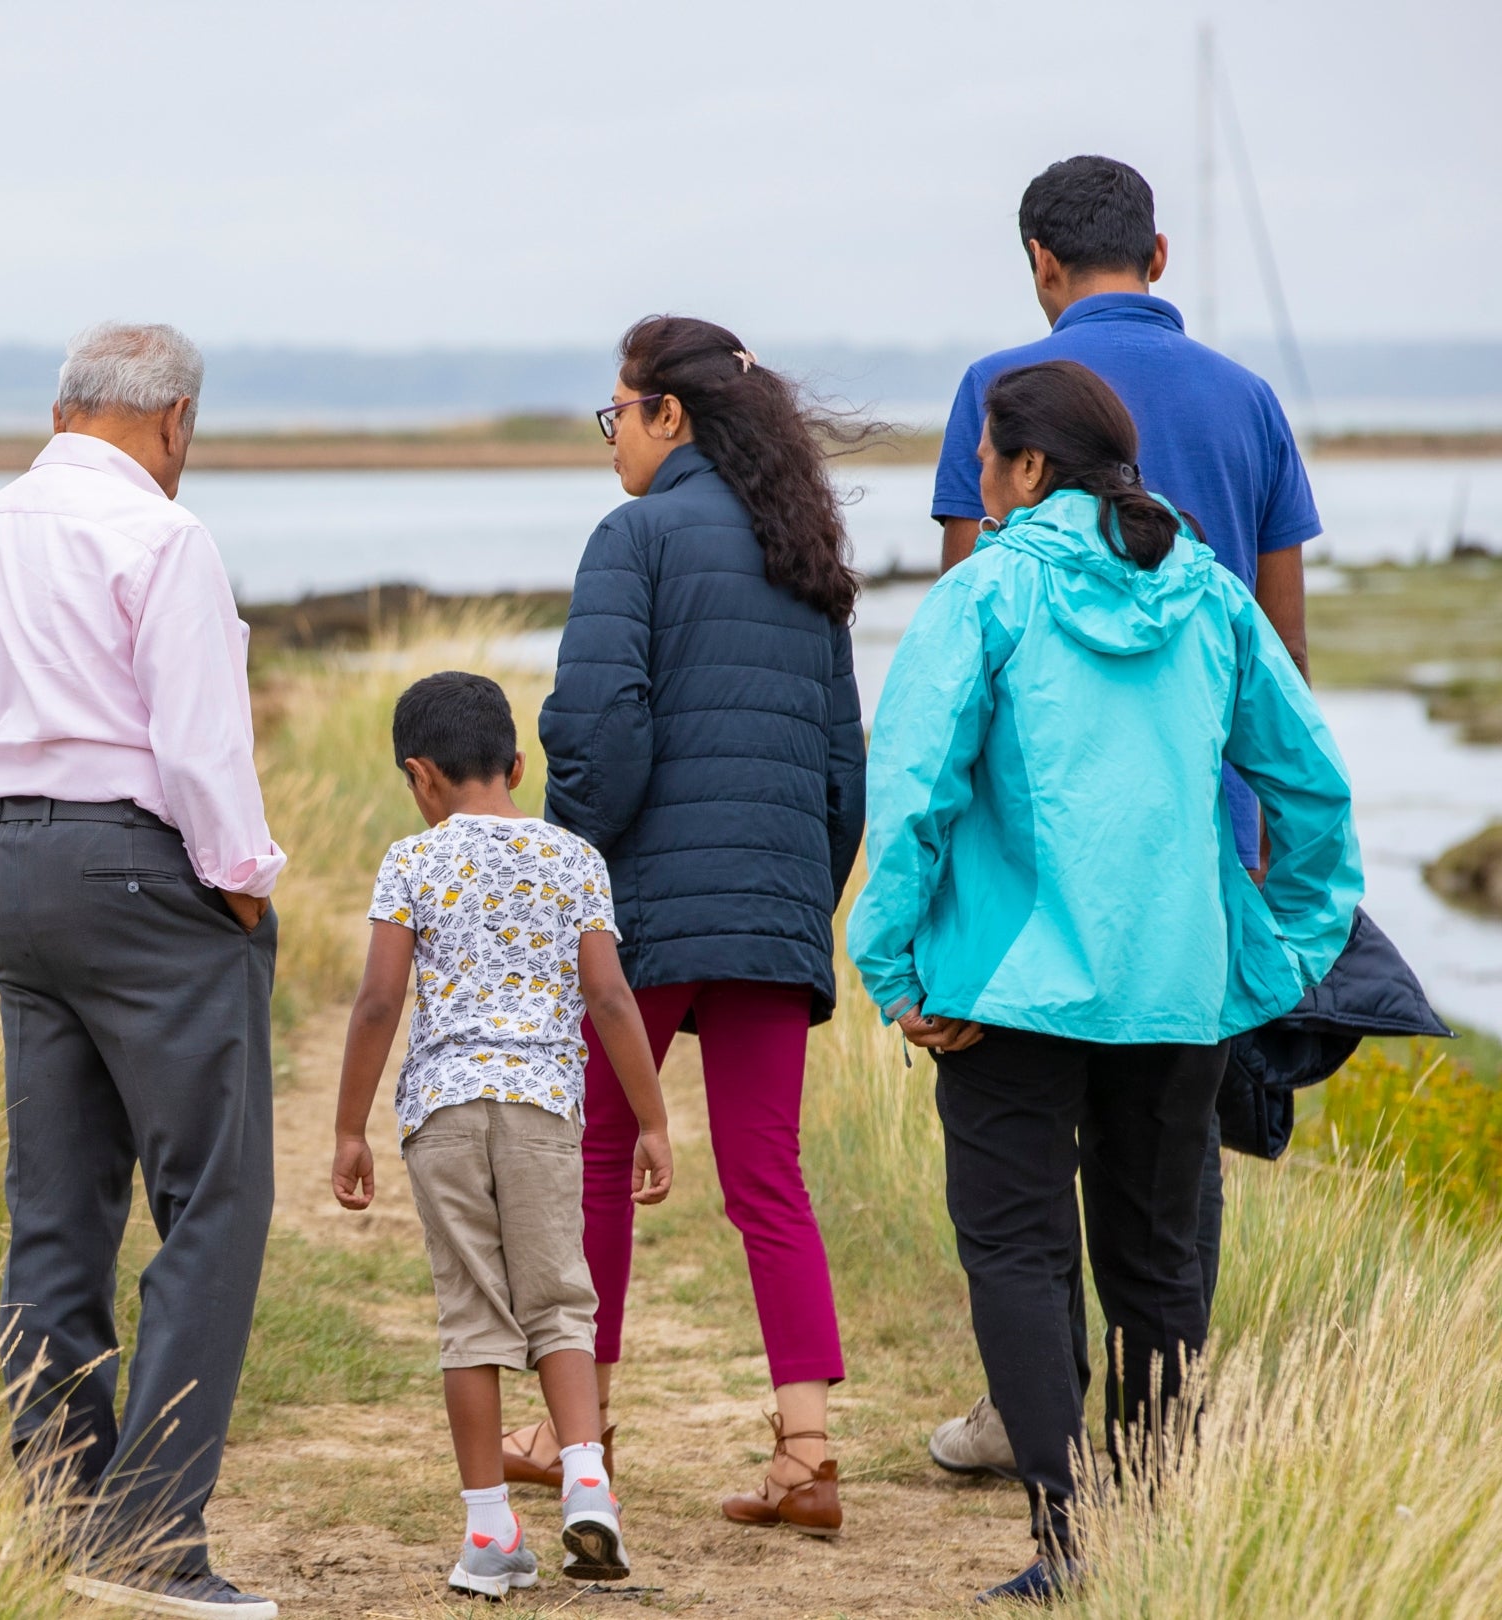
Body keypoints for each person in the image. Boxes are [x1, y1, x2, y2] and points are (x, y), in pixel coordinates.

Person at [853, 359, 1359, 1602]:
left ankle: (1070, 1546)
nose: (976, 477)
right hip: (1178, 989)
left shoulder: (985, 593)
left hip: (999, 999)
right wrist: (1280, 952)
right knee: (1155, 1262)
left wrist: (893, 966)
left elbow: (914, 790)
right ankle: (1148, 1540)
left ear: (1029, 469)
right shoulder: (1211, 598)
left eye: (984, 457)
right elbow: (1312, 790)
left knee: (1020, 1257)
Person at [922, 153, 1323, 1484]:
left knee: (1018, 1207)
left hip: (1023, 902)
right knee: (1164, 1214)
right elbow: (1288, 671)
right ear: (1159, 254)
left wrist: (926, 934)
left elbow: (956, 674)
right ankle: (1153, 1490)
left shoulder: (1000, 397)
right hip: (1187, 905)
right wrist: (1266, 909)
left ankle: (1038, 1451)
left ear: (1041, 261)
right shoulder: (1251, 403)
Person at [0, 321, 284, 1618]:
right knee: (215, 1200)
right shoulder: (163, 537)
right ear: (174, 421)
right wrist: (242, 883)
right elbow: (198, 744)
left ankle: (64, 1520)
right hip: (143, 873)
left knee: (58, 1210)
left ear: (64, 405)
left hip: (20, 873)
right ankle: (149, 1545)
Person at [512, 316, 867, 1536]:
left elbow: (601, 729)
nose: (612, 440)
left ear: (672, 416)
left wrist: (574, 862)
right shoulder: (804, 547)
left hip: (645, 913)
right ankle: (807, 1453)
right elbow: (842, 766)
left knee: (597, 1160)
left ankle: (580, 1435)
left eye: (619, 415)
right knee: (771, 1177)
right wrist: (796, 902)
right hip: (771, 910)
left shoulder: (635, 538)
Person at [330, 672, 675, 1595]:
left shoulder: (412, 860)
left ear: (420, 776)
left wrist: (349, 1129)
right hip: (541, 1111)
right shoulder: (575, 860)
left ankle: (489, 1535)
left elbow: (376, 1002)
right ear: (520, 765)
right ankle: (589, 1490)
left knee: (472, 1321)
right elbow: (608, 996)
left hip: (442, 1115)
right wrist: (651, 1118)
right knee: (561, 1303)